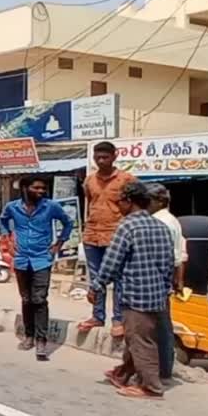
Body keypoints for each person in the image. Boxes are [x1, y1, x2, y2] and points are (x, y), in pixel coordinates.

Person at [95, 182, 175, 398]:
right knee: (137, 337)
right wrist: (165, 288)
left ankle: (151, 386)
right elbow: (169, 264)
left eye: (120, 201)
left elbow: (112, 262)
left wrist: (97, 286)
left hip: (136, 294)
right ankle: (122, 373)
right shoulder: (161, 227)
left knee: (141, 341)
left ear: (129, 201)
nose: (118, 206)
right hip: (157, 294)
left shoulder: (127, 226)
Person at [0, 176, 74, 359]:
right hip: (22, 258)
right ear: (25, 188)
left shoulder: (51, 206)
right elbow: (2, 220)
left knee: (39, 299)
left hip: (42, 258)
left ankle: (41, 340)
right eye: (36, 188)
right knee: (26, 299)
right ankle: (29, 335)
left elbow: (68, 222)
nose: (40, 191)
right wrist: (7, 239)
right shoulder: (12, 207)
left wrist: (58, 244)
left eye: (43, 188)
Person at [80, 141, 136, 338]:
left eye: (105, 157)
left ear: (114, 156)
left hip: (117, 236)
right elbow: (90, 204)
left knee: (120, 279)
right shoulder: (89, 181)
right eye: (97, 158)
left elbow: (135, 206)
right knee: (95, 280)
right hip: (92, 235)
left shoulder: (127, 180)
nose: (101, 161)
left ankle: (118, 319)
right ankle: (97, 316)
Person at [147, 183, 186, 381]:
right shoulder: (171, 221)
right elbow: (180, 255)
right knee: (161, 327)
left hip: (157, 279)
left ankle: (160, 371)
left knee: (158, 328)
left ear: (160, 201)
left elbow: (174, 256)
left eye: (149, 200)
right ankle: (162, 368)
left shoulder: (162, 222)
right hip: (164, 279)